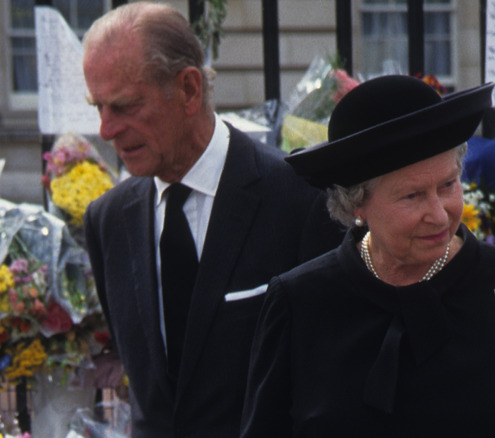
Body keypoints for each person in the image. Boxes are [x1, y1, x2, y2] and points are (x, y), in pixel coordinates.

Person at [240, 75, 495, 437]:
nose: (439, 214)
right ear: (357, 203)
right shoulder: (300, 303)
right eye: (412, 196)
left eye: (448, 185)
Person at [81, 3, 342, 436]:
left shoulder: (300, 199)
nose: (106, 130)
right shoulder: (107, 221)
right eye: (99, 107)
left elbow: (330, 377)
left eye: (124, 106)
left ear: (188, 89)